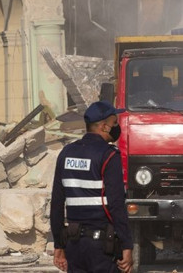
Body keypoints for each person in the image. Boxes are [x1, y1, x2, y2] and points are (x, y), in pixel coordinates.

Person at [50, 101, 133, 273]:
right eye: (114, 123)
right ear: (104, 127)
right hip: (102, 248)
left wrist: (59, 244)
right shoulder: (109, 155)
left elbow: (57, 203)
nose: (117, 127)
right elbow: (116, 204)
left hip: (73, 245)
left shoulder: (66, 153)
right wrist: (127, 245)